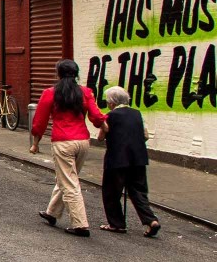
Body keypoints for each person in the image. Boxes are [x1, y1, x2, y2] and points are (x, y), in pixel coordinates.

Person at [31, 59, 108, 238]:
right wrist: (104, 129)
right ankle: (52, 213)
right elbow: (96, 116)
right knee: (67, 177)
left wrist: (35, 143)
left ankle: (80, 224)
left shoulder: (50, 93)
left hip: (63, 141)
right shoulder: (85, 92)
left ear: (58, 74)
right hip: (82, 141)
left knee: (70, 182)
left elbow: (40, 121)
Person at [98, 86, 161, 237]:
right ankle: (151, 220)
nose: (107, 104)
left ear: (112, 103)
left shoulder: (110, 116)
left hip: (117, 158)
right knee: (138, 191)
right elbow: (145, 135)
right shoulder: (137, 114)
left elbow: (101, 137)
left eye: (108, 101)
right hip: (138, 157)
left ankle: (117, 224)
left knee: (111, 192)